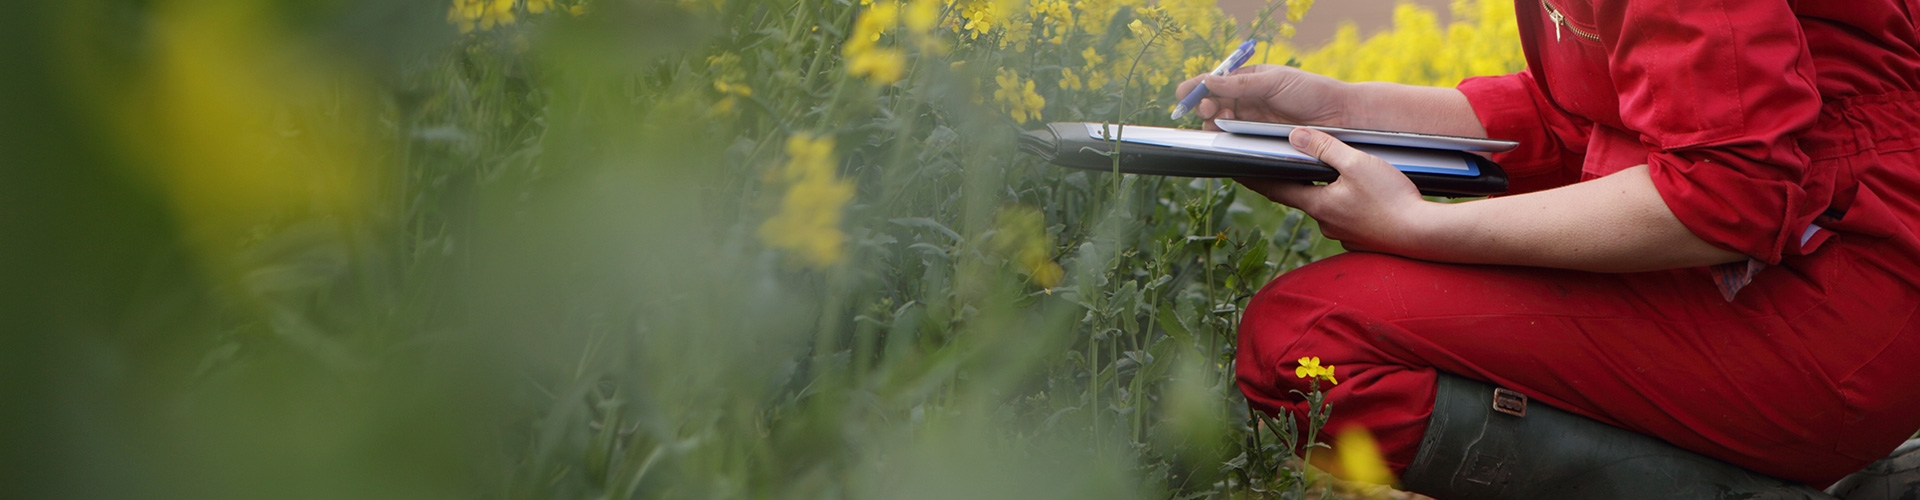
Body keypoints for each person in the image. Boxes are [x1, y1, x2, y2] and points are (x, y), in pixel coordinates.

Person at [1177, 1, 1920, 498]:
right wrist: (1341, 110)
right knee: (1307, 337)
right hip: (1765, 254)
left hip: (1840, 291)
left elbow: (1731, 188)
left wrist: (1419, 227)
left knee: (1312, 343)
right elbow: (1584, 117)